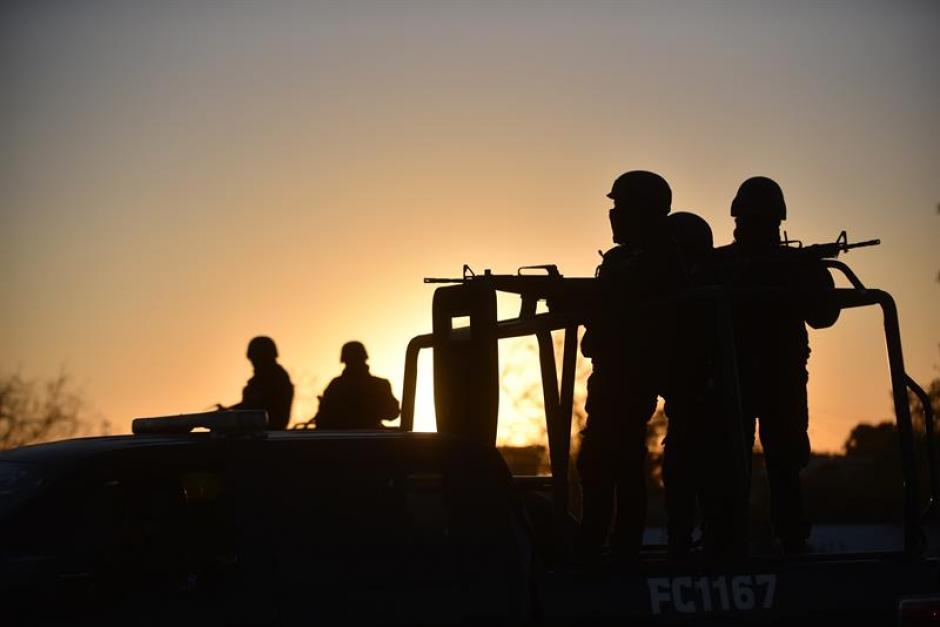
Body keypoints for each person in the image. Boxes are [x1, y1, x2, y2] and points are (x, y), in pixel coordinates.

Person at [715, 176, 839, 554]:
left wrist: (807, 273)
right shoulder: (721, 264)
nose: (748, 228)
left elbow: (823, 315)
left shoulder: (792, 264)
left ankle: (786, 538)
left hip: (778, 380)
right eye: (746, 221)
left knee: (784, 464)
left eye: (758, 221)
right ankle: (727, 538)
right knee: (731, 465)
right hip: (734, 378)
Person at [577, 170, 682, 560]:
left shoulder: (663, 261)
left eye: (620, 207)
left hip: (634, 377)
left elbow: (646, 316)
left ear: (645, 211)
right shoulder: (622, 260)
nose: (613, 216)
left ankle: (613, 547)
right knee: (603, 462)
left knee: (615, 462)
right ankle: (603, 544)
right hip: (610, 375)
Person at [662, 212, 748, 560]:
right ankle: (688, 548)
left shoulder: (707, 292)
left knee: (712, 489)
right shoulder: (678, 293)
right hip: (690, 411)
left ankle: (712, 549)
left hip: (709, 412)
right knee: (683, 485)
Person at [313, 341, 401, 429]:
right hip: (369, 438)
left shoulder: (337, 385)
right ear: (365, 358)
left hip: (347, 439)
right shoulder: (380, 384)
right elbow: (392, 413)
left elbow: (322, 419)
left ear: (344, 360)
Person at [220, 336, 294, 430]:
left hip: (265, 432)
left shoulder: (273, 378)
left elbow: (255, 405)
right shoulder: (266, 377)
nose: (253, 363)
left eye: (255, 359)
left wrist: (230, 412)